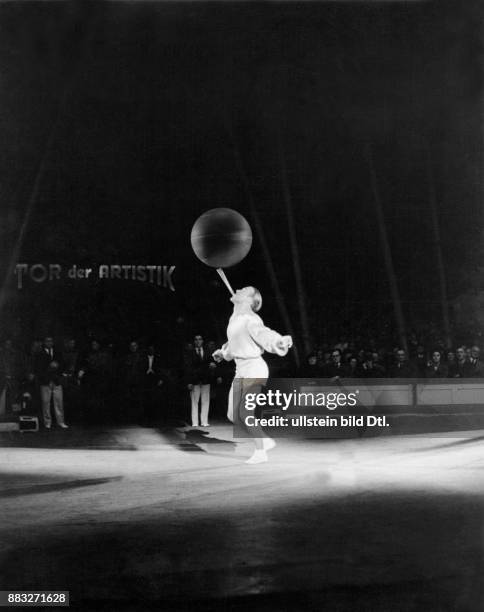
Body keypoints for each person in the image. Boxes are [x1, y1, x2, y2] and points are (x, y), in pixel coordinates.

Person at [213, 286, 292, 464]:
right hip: (240, 369)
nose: (238, 289)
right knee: (233, 415)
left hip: (255, 368)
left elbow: (263, 333)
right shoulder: (235, 318)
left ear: (250, 300)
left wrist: (278, 341)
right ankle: (264, 440)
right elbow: (234, 344)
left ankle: (260, 451)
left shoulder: (251, 318)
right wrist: (222, 353)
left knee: (244, 411)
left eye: (244, 289)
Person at [184, 334, 213, 427]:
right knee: (194, 402)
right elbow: (188, 368)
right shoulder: (190, 352)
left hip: (205, 380)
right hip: (194, 381)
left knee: (205, 401)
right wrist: (189, 382)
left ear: (202, 341)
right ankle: (195, 422)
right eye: (196, 339)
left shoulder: (208, 352)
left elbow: (211, 365)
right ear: (194, 341)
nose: (198, 341)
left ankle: (204, 421)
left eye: (200, 339)